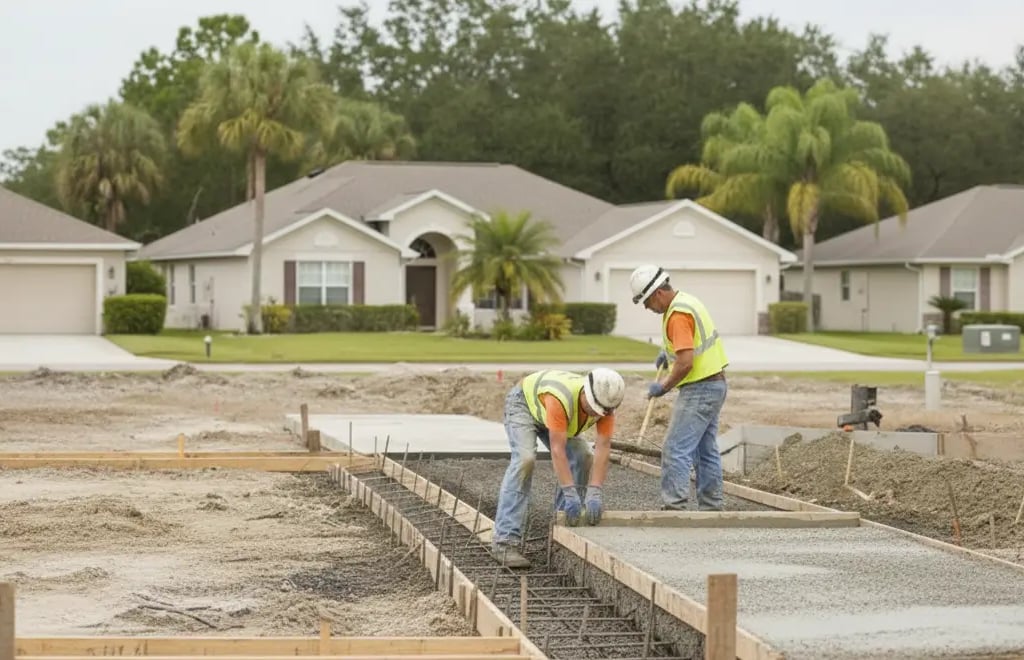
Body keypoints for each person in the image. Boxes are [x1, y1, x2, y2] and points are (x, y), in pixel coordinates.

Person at [491, 367, 626, 568]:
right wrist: (571, 493)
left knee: (582, 455)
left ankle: (563, 527)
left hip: (555, 414)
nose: (595, 414)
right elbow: (557, 450)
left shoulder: (606, 403)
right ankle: (505, 541)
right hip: (524, 405)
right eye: (593, 409)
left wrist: (594, 491)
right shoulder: (560, 397)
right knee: (525, 460)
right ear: (585, 394)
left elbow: (603, 447)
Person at [629, 264, 729, 511]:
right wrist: (668, 352)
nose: (646, 307)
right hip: (715, 384)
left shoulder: (677, 314)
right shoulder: (686, 301)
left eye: (646, 302)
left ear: (657, 293)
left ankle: (674, 508)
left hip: (700, 388)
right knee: (705, 451)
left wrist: (663, 386)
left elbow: (685, 363)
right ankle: (712, 508)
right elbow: (687, 346)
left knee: (675, 449)